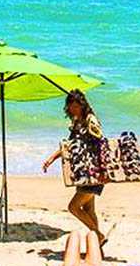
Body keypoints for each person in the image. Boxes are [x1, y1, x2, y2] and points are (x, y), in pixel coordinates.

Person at [42, 89, 108, 242]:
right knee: (89, 210)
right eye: (71, 106)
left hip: (93, 172)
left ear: (83, 105)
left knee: (73, 207)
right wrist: (52, 158)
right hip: (83, 173)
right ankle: (97, 247)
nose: (73, 109)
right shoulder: (77, 122)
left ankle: (98, 235)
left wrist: (104, 172)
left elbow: (100, 144)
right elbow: (69, 146)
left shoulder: (90, 121)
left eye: (76, 106)